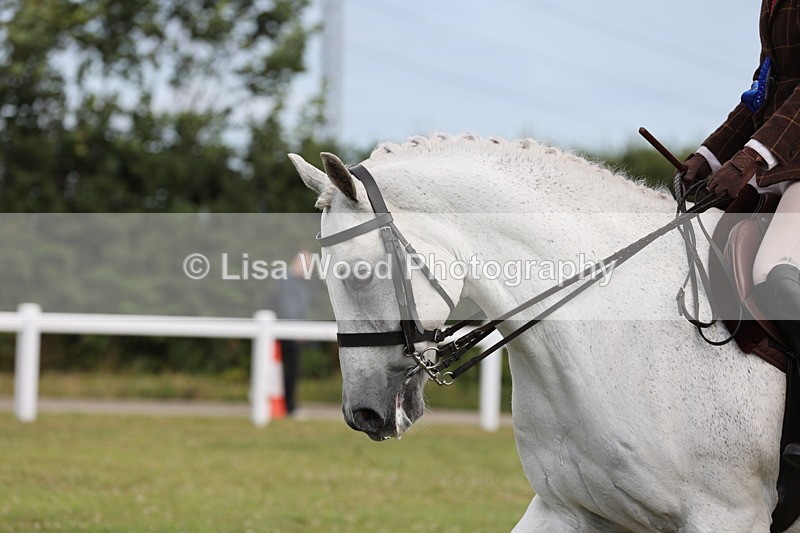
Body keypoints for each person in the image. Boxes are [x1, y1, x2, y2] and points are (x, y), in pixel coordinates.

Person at [681, 0, 800, 468]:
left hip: (785, 165)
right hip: (785, 165)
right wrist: (710, 156)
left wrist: (750, 158)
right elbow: (763, 92)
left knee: (777, 274)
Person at [271, 251, 314, 416]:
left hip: (292, 330)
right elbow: (289, 308)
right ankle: (289, 407)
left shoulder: (298, 283)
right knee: (290, 370)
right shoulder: (289, 281)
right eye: (307, 265)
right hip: (288, 332)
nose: (309, 269)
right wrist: (297, 330)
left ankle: (289, 405)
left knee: (291, 370)